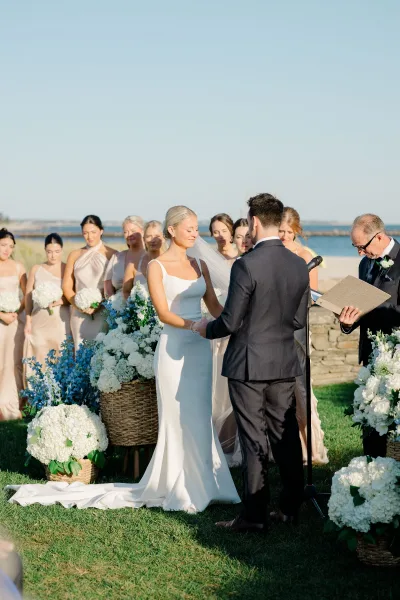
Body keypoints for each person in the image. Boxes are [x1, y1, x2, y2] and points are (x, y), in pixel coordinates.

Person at [7, 207, 240, 512]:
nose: (196, 234)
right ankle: (177, 485)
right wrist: (196, 326)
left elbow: (213, 304)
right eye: (190, 228)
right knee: (176, 416)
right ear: (172, 230)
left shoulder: (199, 265)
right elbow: (163, 312)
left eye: (197, 228)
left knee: (198, 413)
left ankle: (209, 483)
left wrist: (235, 321)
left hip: (199, 350)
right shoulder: (156, 266)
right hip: (175, 346)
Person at [195, 193, 309, 532]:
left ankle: (254, 516)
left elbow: (229, 322)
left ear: (255, 222)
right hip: (284, 361)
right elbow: (299, 321)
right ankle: (290, 508)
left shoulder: (246, 264)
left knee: (253, 437)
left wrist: (205, 328)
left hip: (248, 364)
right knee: (285, 434)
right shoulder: (298, 264)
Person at [339, 213, 400, 457]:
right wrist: (347, 322)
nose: (359, 253)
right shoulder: (365, 264)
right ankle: (372, 469)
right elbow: (360, 305)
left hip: (396, 356)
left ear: (379, 237)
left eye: (361, 247)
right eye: (355, 247)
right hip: (370, 354)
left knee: (394, 422)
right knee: (371, 419)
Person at [279, 207, 328, 465]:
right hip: (274, 328)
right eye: (281, 231)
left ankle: (309, 447)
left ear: (297, 231)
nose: (285, 236)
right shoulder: (272, 254)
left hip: (297, 328)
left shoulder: (305, 255)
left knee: (300, 387)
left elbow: (314, 294)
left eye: (289, 231)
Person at [63, 215, 117, 349]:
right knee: (80, 353)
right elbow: (67, 286)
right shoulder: (74, 255)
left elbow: (116, 286)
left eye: (93, 232)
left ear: (101, 231)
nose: (89, 236)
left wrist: (100, 304)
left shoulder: (112, 254)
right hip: (78, 312)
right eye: (85, 233)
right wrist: (79, 304)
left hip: (103, 311)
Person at [24, 234, 71, 374]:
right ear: (45, 250)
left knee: (60, 356)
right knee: (39, 356)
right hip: (39, 321)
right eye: (49, 252)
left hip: (60, 323)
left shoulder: (67, 269)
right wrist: (28, 320)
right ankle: (37, 393)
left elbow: (71, 296)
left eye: (57, 252)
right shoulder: (36, 269)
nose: (53, 256)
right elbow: (28, 296)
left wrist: (58, 301)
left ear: (62, 250)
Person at [0, 229, 26, 421]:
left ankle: (11, 403)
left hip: (14, 320)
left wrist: (16, 311)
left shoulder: (18, 267)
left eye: (11, 246)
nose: (7, 250)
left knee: (13, 362)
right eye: (3, 245)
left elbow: (27, 294)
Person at [104, 216, 146, 298]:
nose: (129, 234)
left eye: (133, 231)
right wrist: (115, 306)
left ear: (143, 232)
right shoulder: (116, 257)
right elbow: (108, 288)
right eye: (125, 232)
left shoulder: (150, 257)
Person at [122, 220, 166, 297]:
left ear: (164, 238)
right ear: (144, 238)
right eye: (148, 236)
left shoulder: (171, 261)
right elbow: (126, 292)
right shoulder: (134, 263)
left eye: (157, 236)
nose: (153, 240)